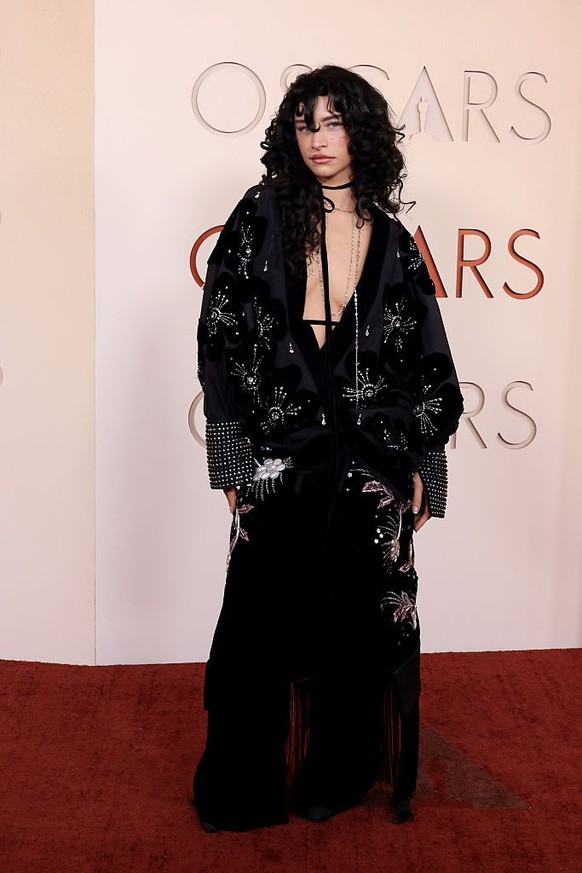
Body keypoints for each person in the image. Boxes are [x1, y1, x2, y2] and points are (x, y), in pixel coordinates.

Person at [193, 64, 463, 832]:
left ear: (362, 133)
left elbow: (427, 364)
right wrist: (234, 458)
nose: (318, 138)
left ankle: (336, 772)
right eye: (306, 122)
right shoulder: (260, 216)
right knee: (253, 634)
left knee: (355, 629)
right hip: (284, 461)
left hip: (370, 470)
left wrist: (426, 471)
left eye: (334, 121)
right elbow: (221, 337)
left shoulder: (394, 241)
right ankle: (242, 787)